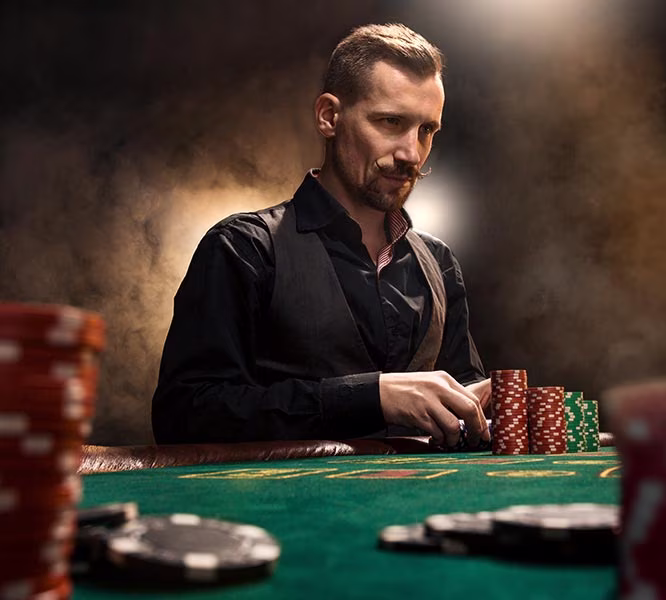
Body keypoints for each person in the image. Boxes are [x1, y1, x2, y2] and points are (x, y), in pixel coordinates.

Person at [152, 23, 490, 448]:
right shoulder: (244, 248)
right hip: (290, 494)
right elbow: (184, 415)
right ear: (329, 116)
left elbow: (464, 400)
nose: (411, 153)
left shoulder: (439, 263)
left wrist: (482, 407)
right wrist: (372, 397)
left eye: (426, 131)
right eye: (391, 122)